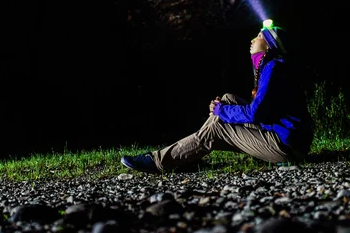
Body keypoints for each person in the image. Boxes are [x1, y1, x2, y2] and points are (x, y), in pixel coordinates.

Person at [120, 21, 314, 173]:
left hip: (286, 148)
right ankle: (186, 157)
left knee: (217, 126)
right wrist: (223, 107)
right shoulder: (273, 67)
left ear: (269, 46)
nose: (253, 40)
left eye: (258, 36)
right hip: (287, 139)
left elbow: (255, 113)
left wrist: (220, 111)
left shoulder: (273, 68)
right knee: (228, 98)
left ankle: (160, 162)